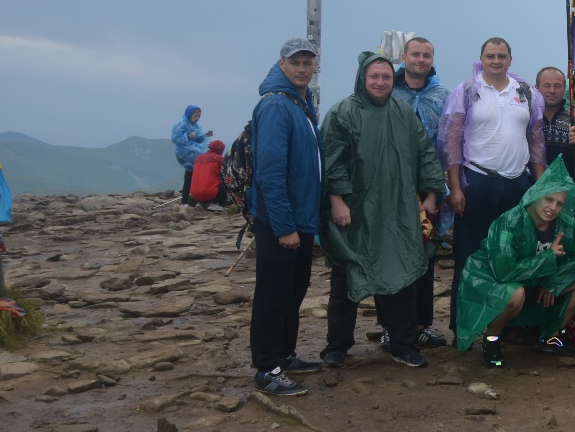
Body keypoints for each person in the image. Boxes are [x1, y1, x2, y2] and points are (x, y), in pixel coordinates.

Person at [320, 52, 446, 369]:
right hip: (354, 212)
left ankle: (403, 344)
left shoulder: (403, 112)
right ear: (363, 78)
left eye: (386, 77)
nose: (380, 82)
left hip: (398, 210)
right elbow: (331, 162)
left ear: (393, 80)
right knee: (347, 278)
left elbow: (425, 153)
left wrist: (432, 193)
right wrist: (336, 199)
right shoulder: (342, 113)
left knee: (403, 277)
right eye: (374, 76)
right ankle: (337, 345)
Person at [442, 38, 545, 337]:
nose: (496, 61)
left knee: (514, 256)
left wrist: (539, 187)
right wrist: (455, 188)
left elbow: (536, 141)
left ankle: (510, 326)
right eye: (490, 56)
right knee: (470, 256)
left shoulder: (526, 93)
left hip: (516, 185)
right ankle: (461, 324)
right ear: (481, 59)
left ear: (511, 59)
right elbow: (452, 142)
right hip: (477, 182)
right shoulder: (467, 91)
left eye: (502, 56)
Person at [455, 157, 575, 368]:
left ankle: (550, 337)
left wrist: (554, 281)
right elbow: (505, 272)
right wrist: (548, 257)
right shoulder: (510, 222)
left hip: (539, 282)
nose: (553, 208)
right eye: (548, 199)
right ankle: (492, 340)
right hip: (498, 281)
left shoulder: (564, 225)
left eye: (559, 203)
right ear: (537, 195)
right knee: (515, 294)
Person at [246, 38, 325, 397]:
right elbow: (270, 172)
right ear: (281, 65)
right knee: (274, 293)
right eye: (296, 62)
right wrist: (284, 226)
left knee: (293, 290)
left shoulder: (300, 104)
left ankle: (285, 355)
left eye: (308, 62)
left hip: (301, 219)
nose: (302, 68)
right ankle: (266, 368)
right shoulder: (277, 106)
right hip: (282, 222)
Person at [390, 35, 453, 349]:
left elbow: (451, 142)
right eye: (415, 54)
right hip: (391, 187)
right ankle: (391, 326)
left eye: (426, 55)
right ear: (404, 56)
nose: (421, 60)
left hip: (430, 187)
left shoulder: (443, 95)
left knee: (426, 256)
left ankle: (421, 323)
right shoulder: (389, 91)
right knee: (394, 256)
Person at [536, 67, 575, 181]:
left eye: (557, 86)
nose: (552, 90)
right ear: (537, 88)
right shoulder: (529, 120)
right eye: (546, 85)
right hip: (531, 189)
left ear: (564, 89)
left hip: (565, 193)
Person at [171, 106, 212, 207]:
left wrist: (205, 136)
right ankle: (187, 201)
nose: (196, 118)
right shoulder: (181, 124)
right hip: (185, 152)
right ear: (189, 114)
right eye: (195, 115)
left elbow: (197, 140)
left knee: (191, 177)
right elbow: (175, 139)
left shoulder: (196, 126)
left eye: (198, 116)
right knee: (194, 176)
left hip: (193, 152)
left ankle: (188, 201)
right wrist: (187, 136)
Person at [189, 139, 228, 209]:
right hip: (210, 193)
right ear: (220, 149)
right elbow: (225, 174)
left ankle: (202, 203)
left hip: (194, 193)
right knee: (227, 183)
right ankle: (214, 203)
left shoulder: (198, 158)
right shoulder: (219, 159)